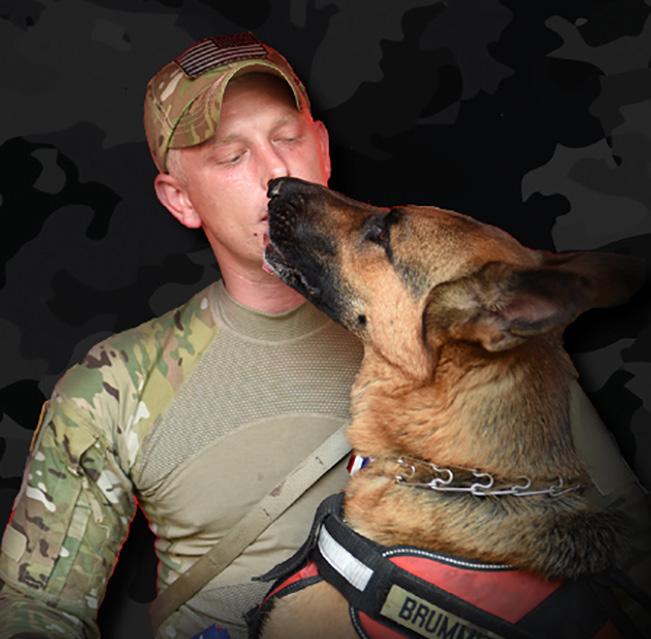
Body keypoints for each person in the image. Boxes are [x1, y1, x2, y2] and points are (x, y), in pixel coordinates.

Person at [0, 33, 648, 639]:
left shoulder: (475, 338)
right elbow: (38, 608)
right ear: (179, 200)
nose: (275, 172)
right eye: (231, 155)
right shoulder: (113, 386)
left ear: (323, 149)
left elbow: (629, 552)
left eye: (287, 138)